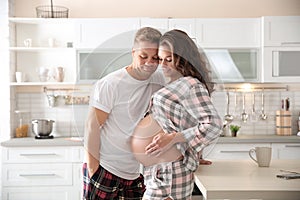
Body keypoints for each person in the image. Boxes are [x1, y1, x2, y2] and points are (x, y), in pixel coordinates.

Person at [131, 29, 223, 200]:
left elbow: (213, 124)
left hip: (170, 174)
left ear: (183, 59)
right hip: (160, 172)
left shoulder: (191, 85)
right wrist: (193, 150)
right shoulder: (175, 84)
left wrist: (174, 139)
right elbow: (187, 122)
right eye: (161, 59)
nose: (163, 65)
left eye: (169, 59)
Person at [82, 27, 165, 200]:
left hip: (134, 172)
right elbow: (92, 126)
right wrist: (93, 169)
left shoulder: (159, 81)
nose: (149, 62)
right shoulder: (111, 84)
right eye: (143, 56)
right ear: (133, 53)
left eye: (155, 58)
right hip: (105, 167)